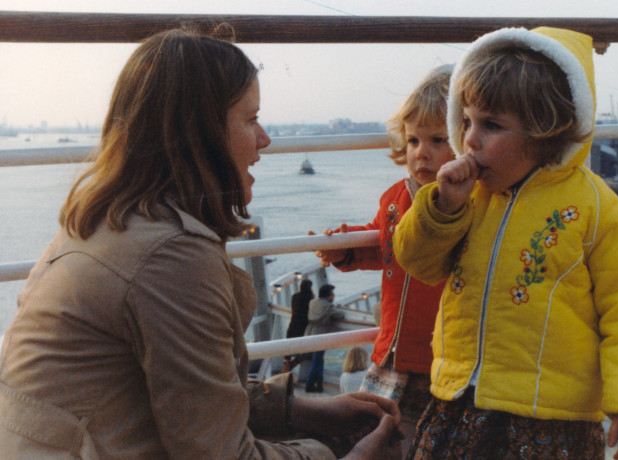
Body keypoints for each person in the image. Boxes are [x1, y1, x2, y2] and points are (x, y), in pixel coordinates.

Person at [0, 27, 402, 459]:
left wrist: (301, 411)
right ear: (200, 134)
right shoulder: (169, 256)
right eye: (250, 119)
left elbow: (187, 391)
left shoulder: (103, 220)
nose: (264, 139)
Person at [393, 26, 618, 460]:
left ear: (547, 131)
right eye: (466, 121)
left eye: (491, 125)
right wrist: (443, 207)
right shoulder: (469, 197)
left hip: (550, 418)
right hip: (458, 399)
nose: (469, 139)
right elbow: (419, 263)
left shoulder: (596, 209)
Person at [310, 64, 454, 452]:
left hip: (438, 355)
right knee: (379, 438)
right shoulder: (395, 199)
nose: (421, 152)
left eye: (437, 140)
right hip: (392, 351)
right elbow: (384, 247)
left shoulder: (471, 204)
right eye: (413, 140)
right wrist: (346, 248)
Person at [304, 284, 345, 392]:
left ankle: (319, 384)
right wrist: (338, 308)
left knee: (318, 359)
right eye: (332, 294)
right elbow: (341, 315)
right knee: (317, 361)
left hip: (310, 333)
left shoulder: (313, 302)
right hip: (321, 336)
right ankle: (309, 384)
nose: (334, 296)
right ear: (328, 295)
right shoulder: (328, 307)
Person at [282, 278, 315, 373]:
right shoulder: (310, 298)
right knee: (306, 350)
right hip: (304, 327)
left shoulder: (295, 296)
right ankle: (293, 364)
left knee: (288, 348)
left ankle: (286, 368)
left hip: (293, 325)